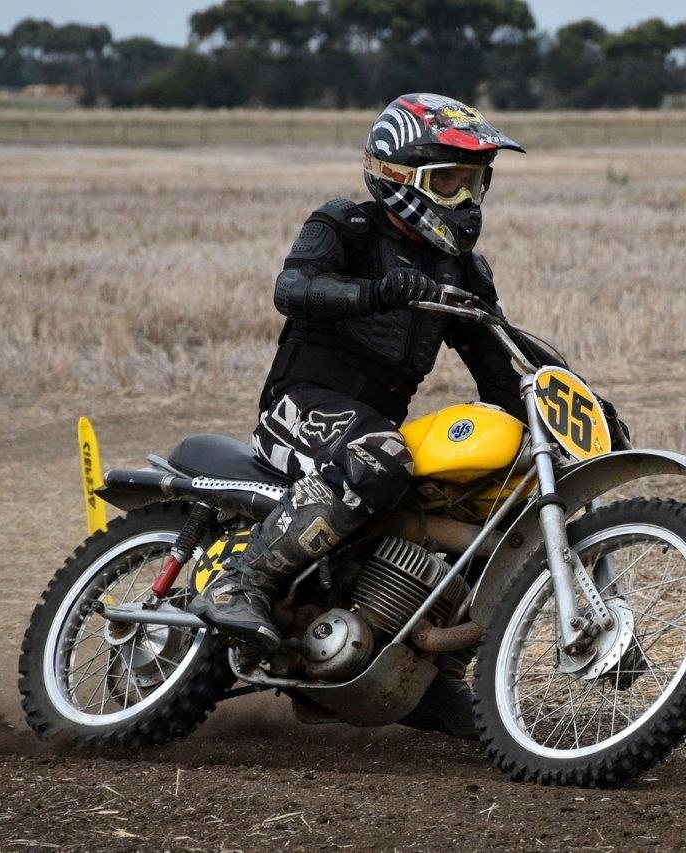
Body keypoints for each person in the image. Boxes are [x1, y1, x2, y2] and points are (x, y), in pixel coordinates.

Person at [191, 93, 556, 739]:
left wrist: (558, 408)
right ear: (398, 175)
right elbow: (292, 288)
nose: (466, 198)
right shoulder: (346, 225)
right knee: (382, 456)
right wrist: (378, 292)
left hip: (372, 426)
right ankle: (239, 584)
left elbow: (496, 368)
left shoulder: (464, 270)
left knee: (488, 499)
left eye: (474, 181)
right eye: (449, 180)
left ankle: (428, 672)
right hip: (299, 406)